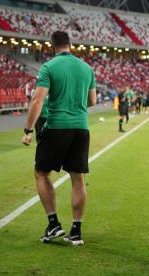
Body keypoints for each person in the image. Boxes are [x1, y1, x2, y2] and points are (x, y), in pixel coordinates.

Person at [21, 31, 96, 246]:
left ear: (52, 46)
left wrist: (28, 131)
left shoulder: (49, 67)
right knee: (78, 178)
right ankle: (76, 230)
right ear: (70, 44)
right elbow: (91, 101)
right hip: (81, 127)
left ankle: (53, 224)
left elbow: (37, 100)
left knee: (41, 173)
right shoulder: (86, 68)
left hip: (57, 126)